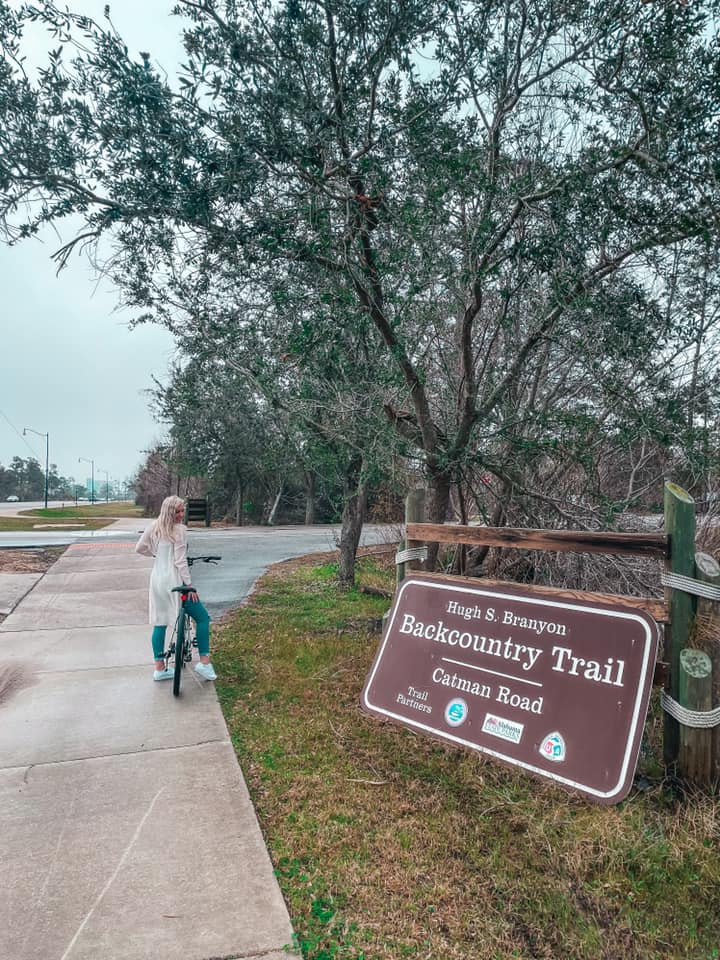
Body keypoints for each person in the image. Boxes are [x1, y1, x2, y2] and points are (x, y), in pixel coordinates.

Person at [135, 495, 217, 682]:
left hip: (157, 580)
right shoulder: (179, 530)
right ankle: (204, 663)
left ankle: (159, 669)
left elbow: (139, 548)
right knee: (203, 618)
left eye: (182, 510)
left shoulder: (153, 527)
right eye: (177, 511)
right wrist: (189, 586)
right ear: (169, 512)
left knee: (160, 622)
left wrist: (155, 554)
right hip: (174, 580)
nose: (181, 515)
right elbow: (180, 562)